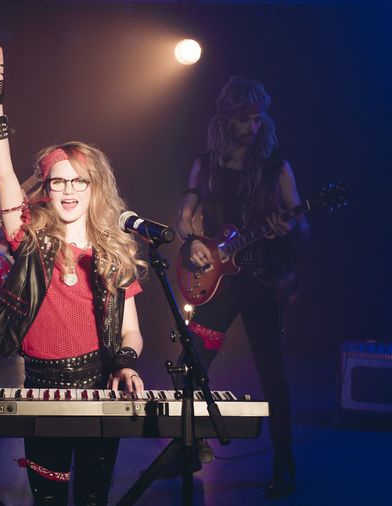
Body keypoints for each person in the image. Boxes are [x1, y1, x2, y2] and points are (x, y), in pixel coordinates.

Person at [0, 47, 147, 505]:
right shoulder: (28, 237)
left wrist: (126, 362)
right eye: (58, 181)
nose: (68, 190)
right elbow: (2, 173)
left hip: (100, 384)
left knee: (92, 497)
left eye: (79, 181)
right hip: (41, 387)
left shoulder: (115, 252)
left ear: (95, 187)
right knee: (48, 498)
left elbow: (130, 329)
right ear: (47, 188)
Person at [174, 76, 310, 499]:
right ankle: (188, 449)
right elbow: (184, 218)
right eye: (243, 119)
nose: (252, 126)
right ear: (226, 120)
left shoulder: (276, 166)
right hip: (217, 282)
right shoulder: (206, 164)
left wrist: (289, 227)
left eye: (257, 119)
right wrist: (192, 242)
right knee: (189, 365)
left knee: (273, 375)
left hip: (261, 281)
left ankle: (284, 464)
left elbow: (302, 223)